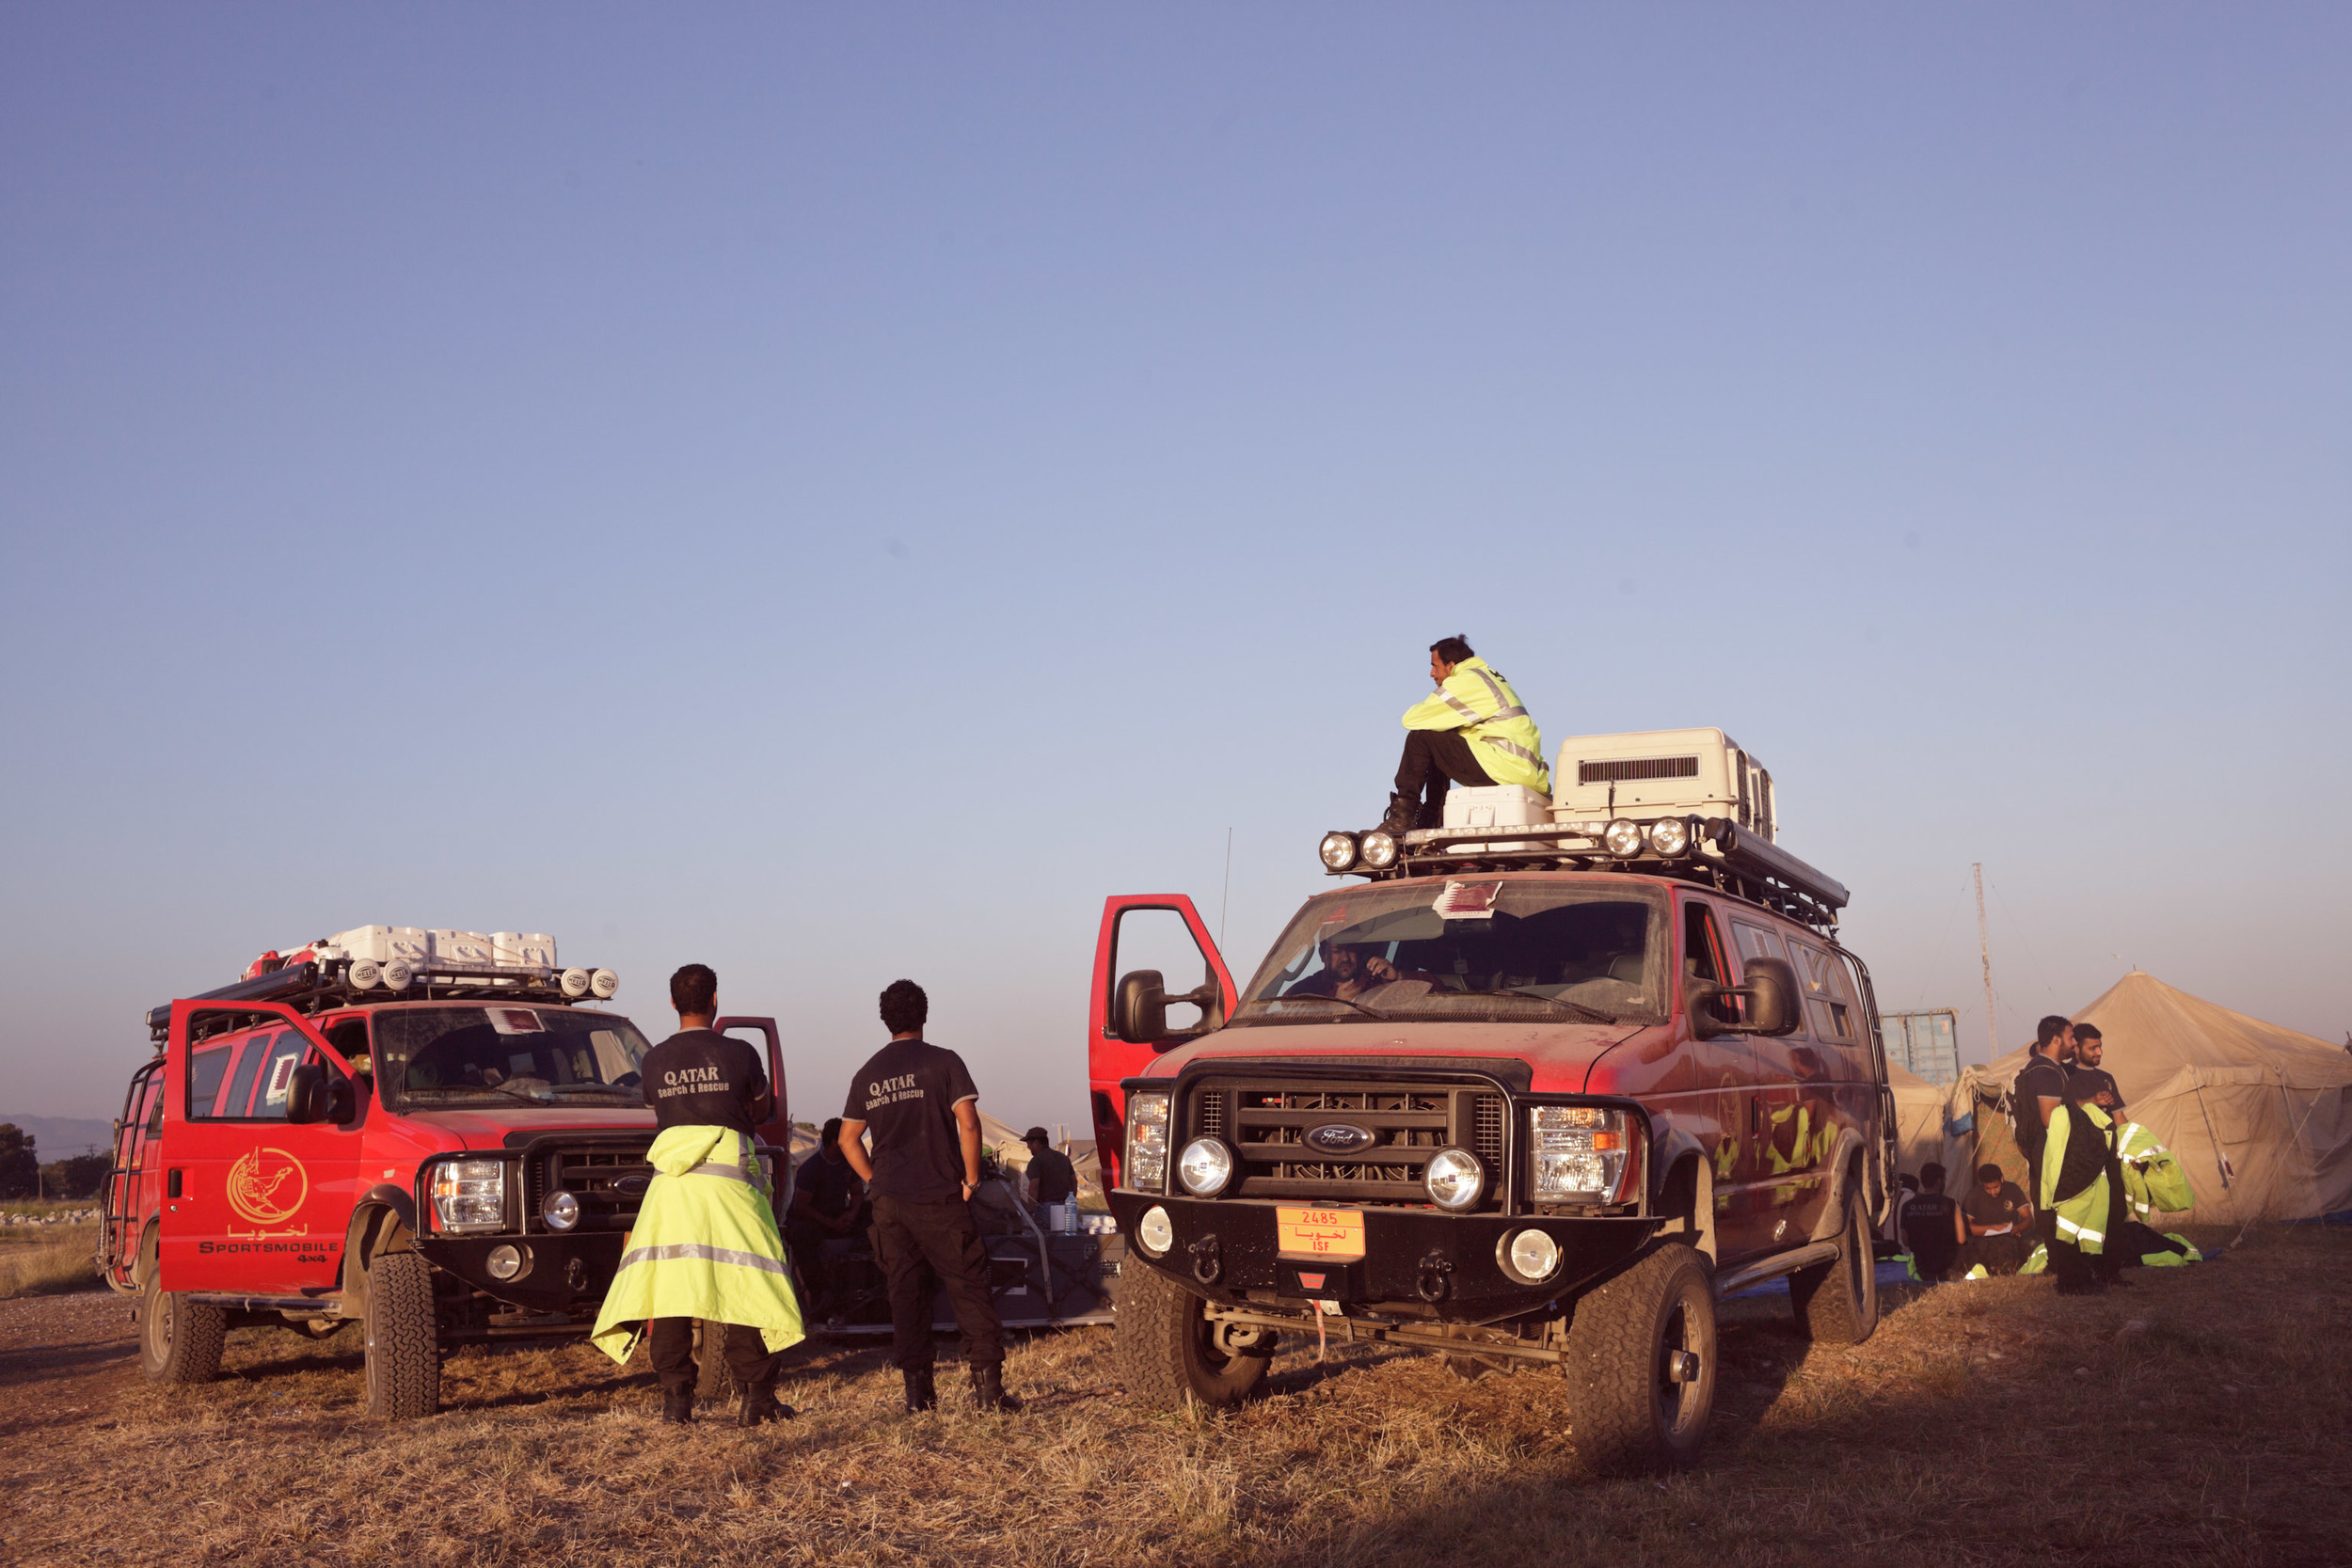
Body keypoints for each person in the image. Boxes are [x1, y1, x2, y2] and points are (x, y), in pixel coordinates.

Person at [591, 964, 803, 1426]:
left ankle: (676, 1402)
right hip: (729, 1184)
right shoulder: (741, 1052)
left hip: (672, 1186)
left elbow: (657, 1106)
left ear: (672, 1004)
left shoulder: (654, 1059)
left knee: (671, 1289)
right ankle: (757, 1399)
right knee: (748, 1282)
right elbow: (761, 1104)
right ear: (714, 1001)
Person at [838, 979, 1021, 1415]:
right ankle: (988, 1393)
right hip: (940, 1196)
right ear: (924, 1015)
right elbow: (970, 1124)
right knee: (969, 1286)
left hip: (889, 1203)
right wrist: (972, 1180)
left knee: (905, 1293)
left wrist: (874, 1180)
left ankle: (919, 1397)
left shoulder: (868, 1073)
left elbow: (848, 1139)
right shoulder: (944, 1062)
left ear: (886, 1020)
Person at [1380, 635, 1549, 835]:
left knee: (1422, 736)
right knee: (1441, 735)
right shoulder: (1489, 677)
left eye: (1435, 666)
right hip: (1521, 770)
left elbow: (1410, 719)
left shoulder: (1467, 681)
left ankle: (1403, 817)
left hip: (1503, 766)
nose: (1431, 673)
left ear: (1451, 666)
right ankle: (1431, 817)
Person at [787, 1117, 867, 1319]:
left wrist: (852, 1215)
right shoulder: (811, 1169)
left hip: (837, 1217)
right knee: (802, 1233)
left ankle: (864, 1283)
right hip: (812, 1220)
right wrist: (832, 1223)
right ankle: (820, 1294)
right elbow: (801, 1208)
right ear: (835, 1141)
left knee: (872, 1210)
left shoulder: (849, 1163)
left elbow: (857, 1194)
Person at [1957, 1163, 2034, 1277]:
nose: (1993, 1192)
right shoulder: (1973, 1195)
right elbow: (1966, 1227)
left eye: (1996, 1187)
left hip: (2008, 1240)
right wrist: (1993, 1228)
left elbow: (2028, 1218)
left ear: (2002, 1179)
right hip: (1982, 1241)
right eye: (1988, 1189)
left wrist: (2017, 1228)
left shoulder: (2013, 1189)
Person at [1899, 1162, 1963, 1283]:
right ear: (1939, 1182)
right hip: (1947, 1268)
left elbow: (1905, 1241)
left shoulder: (1908, 1206)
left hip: (1920, 1268)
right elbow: (1961, 1238)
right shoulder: (1952, 1204)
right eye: (1944, 1179)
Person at [2066, 1024, 2125, 1116]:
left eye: (2100, 1047)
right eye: (2093, 1048)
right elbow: (2059, 1111)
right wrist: (2093, 1101)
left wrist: (2139, 1130)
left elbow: (2119, 1118)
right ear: (2076, 1048)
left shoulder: (2106, 1078)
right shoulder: (2063, 1075)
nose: (2099, 1052)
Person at [1024, 1127, 1078, 1208]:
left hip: (1046, 1207)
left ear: (1036, 1142)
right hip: (1067, 1206)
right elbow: (1074, 1181)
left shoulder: (1036, 1161)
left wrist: (1030, 1209)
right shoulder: (1064, 1158)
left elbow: (1034, 1186)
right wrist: (1071, 1202)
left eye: (1029, 1143)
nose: (1028, 1147)